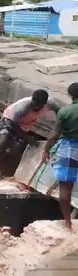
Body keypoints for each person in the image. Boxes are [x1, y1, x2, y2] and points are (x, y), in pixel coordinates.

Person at [0, 89, 60, 180]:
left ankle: (11, 172)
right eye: (35, 104)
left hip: (25, 125)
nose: (37, 107)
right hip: (10, 121)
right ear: (32, 100)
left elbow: (60, 112)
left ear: (45, 103)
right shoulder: (23, 107)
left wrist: (59, 126)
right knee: (3, 143)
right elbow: (13, 124)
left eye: (39, 105)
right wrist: (27, 137)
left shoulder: (51, 103)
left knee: (17, 150)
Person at [42, 82, 78, 232]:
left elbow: (54, 135)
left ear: (70, 95)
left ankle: (68, 223)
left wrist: (46, 150)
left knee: (66, 187)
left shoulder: (65, 112)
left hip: (69, 150)